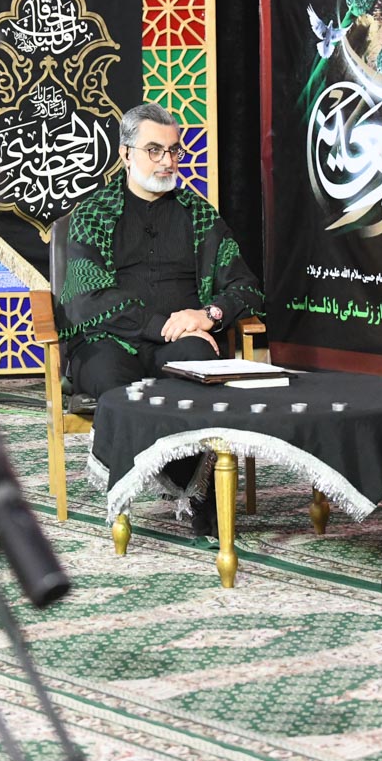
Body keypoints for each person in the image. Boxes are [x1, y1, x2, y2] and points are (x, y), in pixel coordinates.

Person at [60, 103, 264, 533]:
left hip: (183, 340)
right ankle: (143, 487)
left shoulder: (199, 215)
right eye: (154, 150)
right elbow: (85, 300)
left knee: (200, 366)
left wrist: (208, 315)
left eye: (173, 150)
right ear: (125, 154)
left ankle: (201, 493)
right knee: (111, 379)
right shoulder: (92, 215)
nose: (167, 161)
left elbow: (246, 287)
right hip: (107, 342)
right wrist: (160, 324)